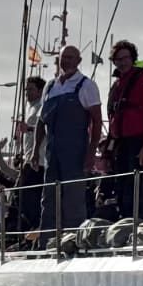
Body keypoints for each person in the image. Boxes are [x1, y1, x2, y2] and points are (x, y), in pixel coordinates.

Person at [39, 45, 103, 239]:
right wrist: (35, 151)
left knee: (73, 200)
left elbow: (97, 121)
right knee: (49, 199)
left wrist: (91, 154)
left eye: (70, 57)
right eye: (63, 57)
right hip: (52, 154)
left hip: (75, 153)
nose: (66, 61)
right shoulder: (50, 87)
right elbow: (42, 122)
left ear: (78, 61)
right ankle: (46, 243)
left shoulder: (86, 86)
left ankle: (74, 241)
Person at [100, 41, 143, 221]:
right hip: (120, 144)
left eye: (125, 58)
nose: (122, 63)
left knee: (137, 191)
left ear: (132, 58)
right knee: (121, 190)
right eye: (117, 59)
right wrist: (107, 153)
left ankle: (138, 232)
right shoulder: (117, 87)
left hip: (140, 143)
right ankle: (124, 228)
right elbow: (113, 118)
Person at [11, 75, 46, 234]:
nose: (27, 93)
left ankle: (38, 224)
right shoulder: (29, 107)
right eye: (26, 90)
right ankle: (31, 226)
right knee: (19, 195)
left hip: (37, 159)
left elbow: (44, 129)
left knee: (26, 193)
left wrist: (29, 129)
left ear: (40, 91)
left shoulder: (41, 106)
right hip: (27, 157)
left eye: (31, 89)